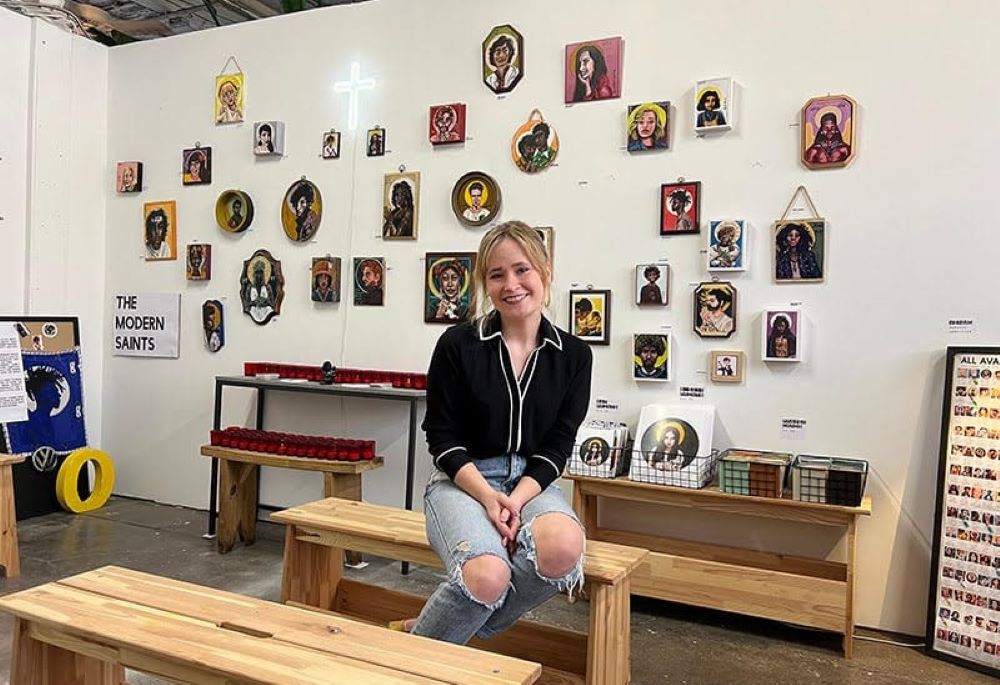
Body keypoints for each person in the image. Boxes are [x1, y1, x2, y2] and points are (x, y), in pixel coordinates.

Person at [403, 220, 591, 646]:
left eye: (522, 269)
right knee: (487, 574)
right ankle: (417, 660)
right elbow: (441, 437)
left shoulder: (575, 356)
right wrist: (489, 498)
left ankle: (441, 628)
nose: (512, 284)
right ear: (484, 283)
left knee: (563, 548)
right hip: (462, 481)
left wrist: (517, 499)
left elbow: (559, 443)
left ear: (545, 272)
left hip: (532, 482)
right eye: (497, 274)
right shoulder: (458, 344)